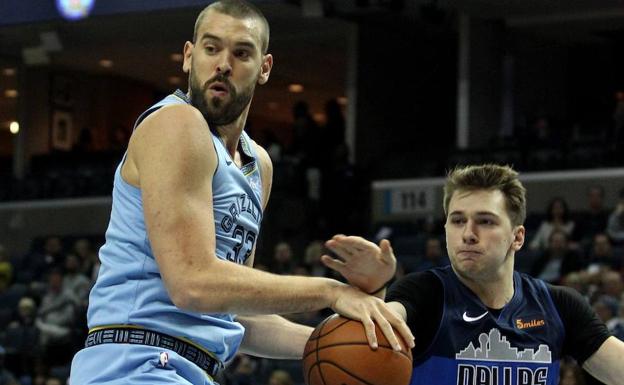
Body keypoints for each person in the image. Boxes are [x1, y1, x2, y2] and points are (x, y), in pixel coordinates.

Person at [69, 2, 413, 384]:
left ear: (264, 68)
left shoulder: (258, 165)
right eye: (211, 48)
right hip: (135, 364)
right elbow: (193, 283)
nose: (223, 63)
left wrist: (362, 338)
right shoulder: (176, 123)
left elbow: (232, 313)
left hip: (191, 369)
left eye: (241, 52)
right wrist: (331, 292)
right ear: (188, 56)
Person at [326, 165, 624, 385]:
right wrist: (374, 290)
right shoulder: (426, 292)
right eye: (457, 221)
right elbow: (382, 326)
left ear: (517, 238)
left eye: (485, 221)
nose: (468, 234)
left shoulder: (558, 306)